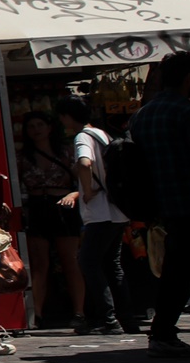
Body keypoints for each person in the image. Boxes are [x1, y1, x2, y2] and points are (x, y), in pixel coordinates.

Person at [129, 50, 190, 357]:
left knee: (176, 269)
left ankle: (163, 330)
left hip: (164, 205)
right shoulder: (186, 112)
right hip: (188, 200)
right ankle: (163, 331)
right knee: (179, 270)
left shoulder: (143, 114)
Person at [56, 97, 135, 335]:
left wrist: (87, 191)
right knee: (113, 265)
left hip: (100, 212)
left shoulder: (82, 137)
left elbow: (84, 162)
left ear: (68, 117)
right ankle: (126, 318)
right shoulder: (103, 134)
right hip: (117, 209)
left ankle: (108, 319)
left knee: (88, 263)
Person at [16, 111, 85, 329]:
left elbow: (81, 180)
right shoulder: (23, 156)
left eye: (40, 125)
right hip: (37, 206)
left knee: (70, 261)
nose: (36, 130)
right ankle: (36, 314)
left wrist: (74, 195)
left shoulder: (65, 152)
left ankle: (79, 311)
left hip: (63, 205)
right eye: (31, 126)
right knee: (39, 264)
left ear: (49, 127)